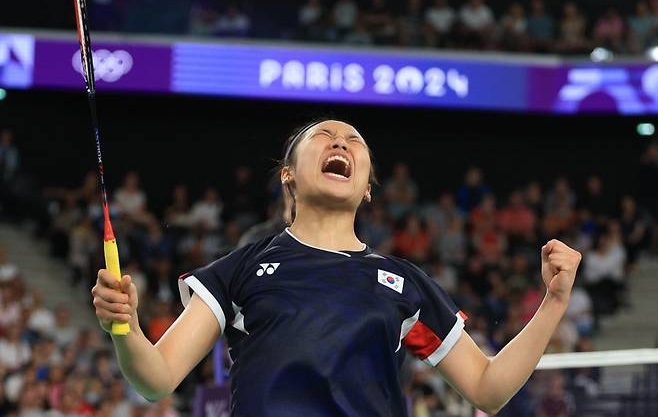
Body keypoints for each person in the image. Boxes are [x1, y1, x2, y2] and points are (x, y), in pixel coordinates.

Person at [91, 118, 582, 415]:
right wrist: (124, 327)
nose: (341, 144)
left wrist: (554, 303)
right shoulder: (239, 269)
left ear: (367, 187)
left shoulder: (404, 286)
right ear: (288, 175)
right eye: (324, 137)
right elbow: (155, 378)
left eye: (354, 142)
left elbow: (487, 388)